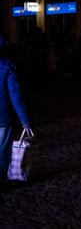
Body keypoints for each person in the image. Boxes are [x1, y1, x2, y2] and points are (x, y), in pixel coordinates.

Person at [0, 34, 33, 182]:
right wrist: (25, 121)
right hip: (2, 118)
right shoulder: (7, 66)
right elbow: (15, 96)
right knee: (2, 151)